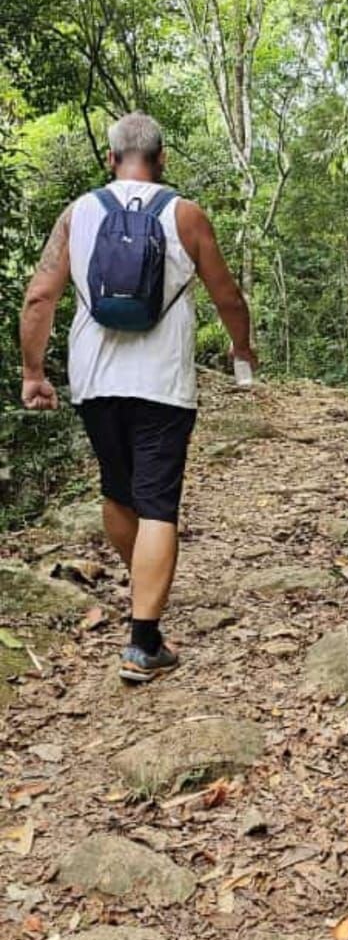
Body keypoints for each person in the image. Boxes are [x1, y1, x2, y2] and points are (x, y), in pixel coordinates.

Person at [19, 111, 257, 682]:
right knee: (157, 505)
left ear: (110, 158)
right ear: (162, 157)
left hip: (95, 380)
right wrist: (241, 348)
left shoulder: (78, 214)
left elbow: (39, 298)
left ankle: (145, 591)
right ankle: (143, 640)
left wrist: (33, 372)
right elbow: (227, 296)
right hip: (163, 384)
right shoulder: (185, 215)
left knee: (118, 493)